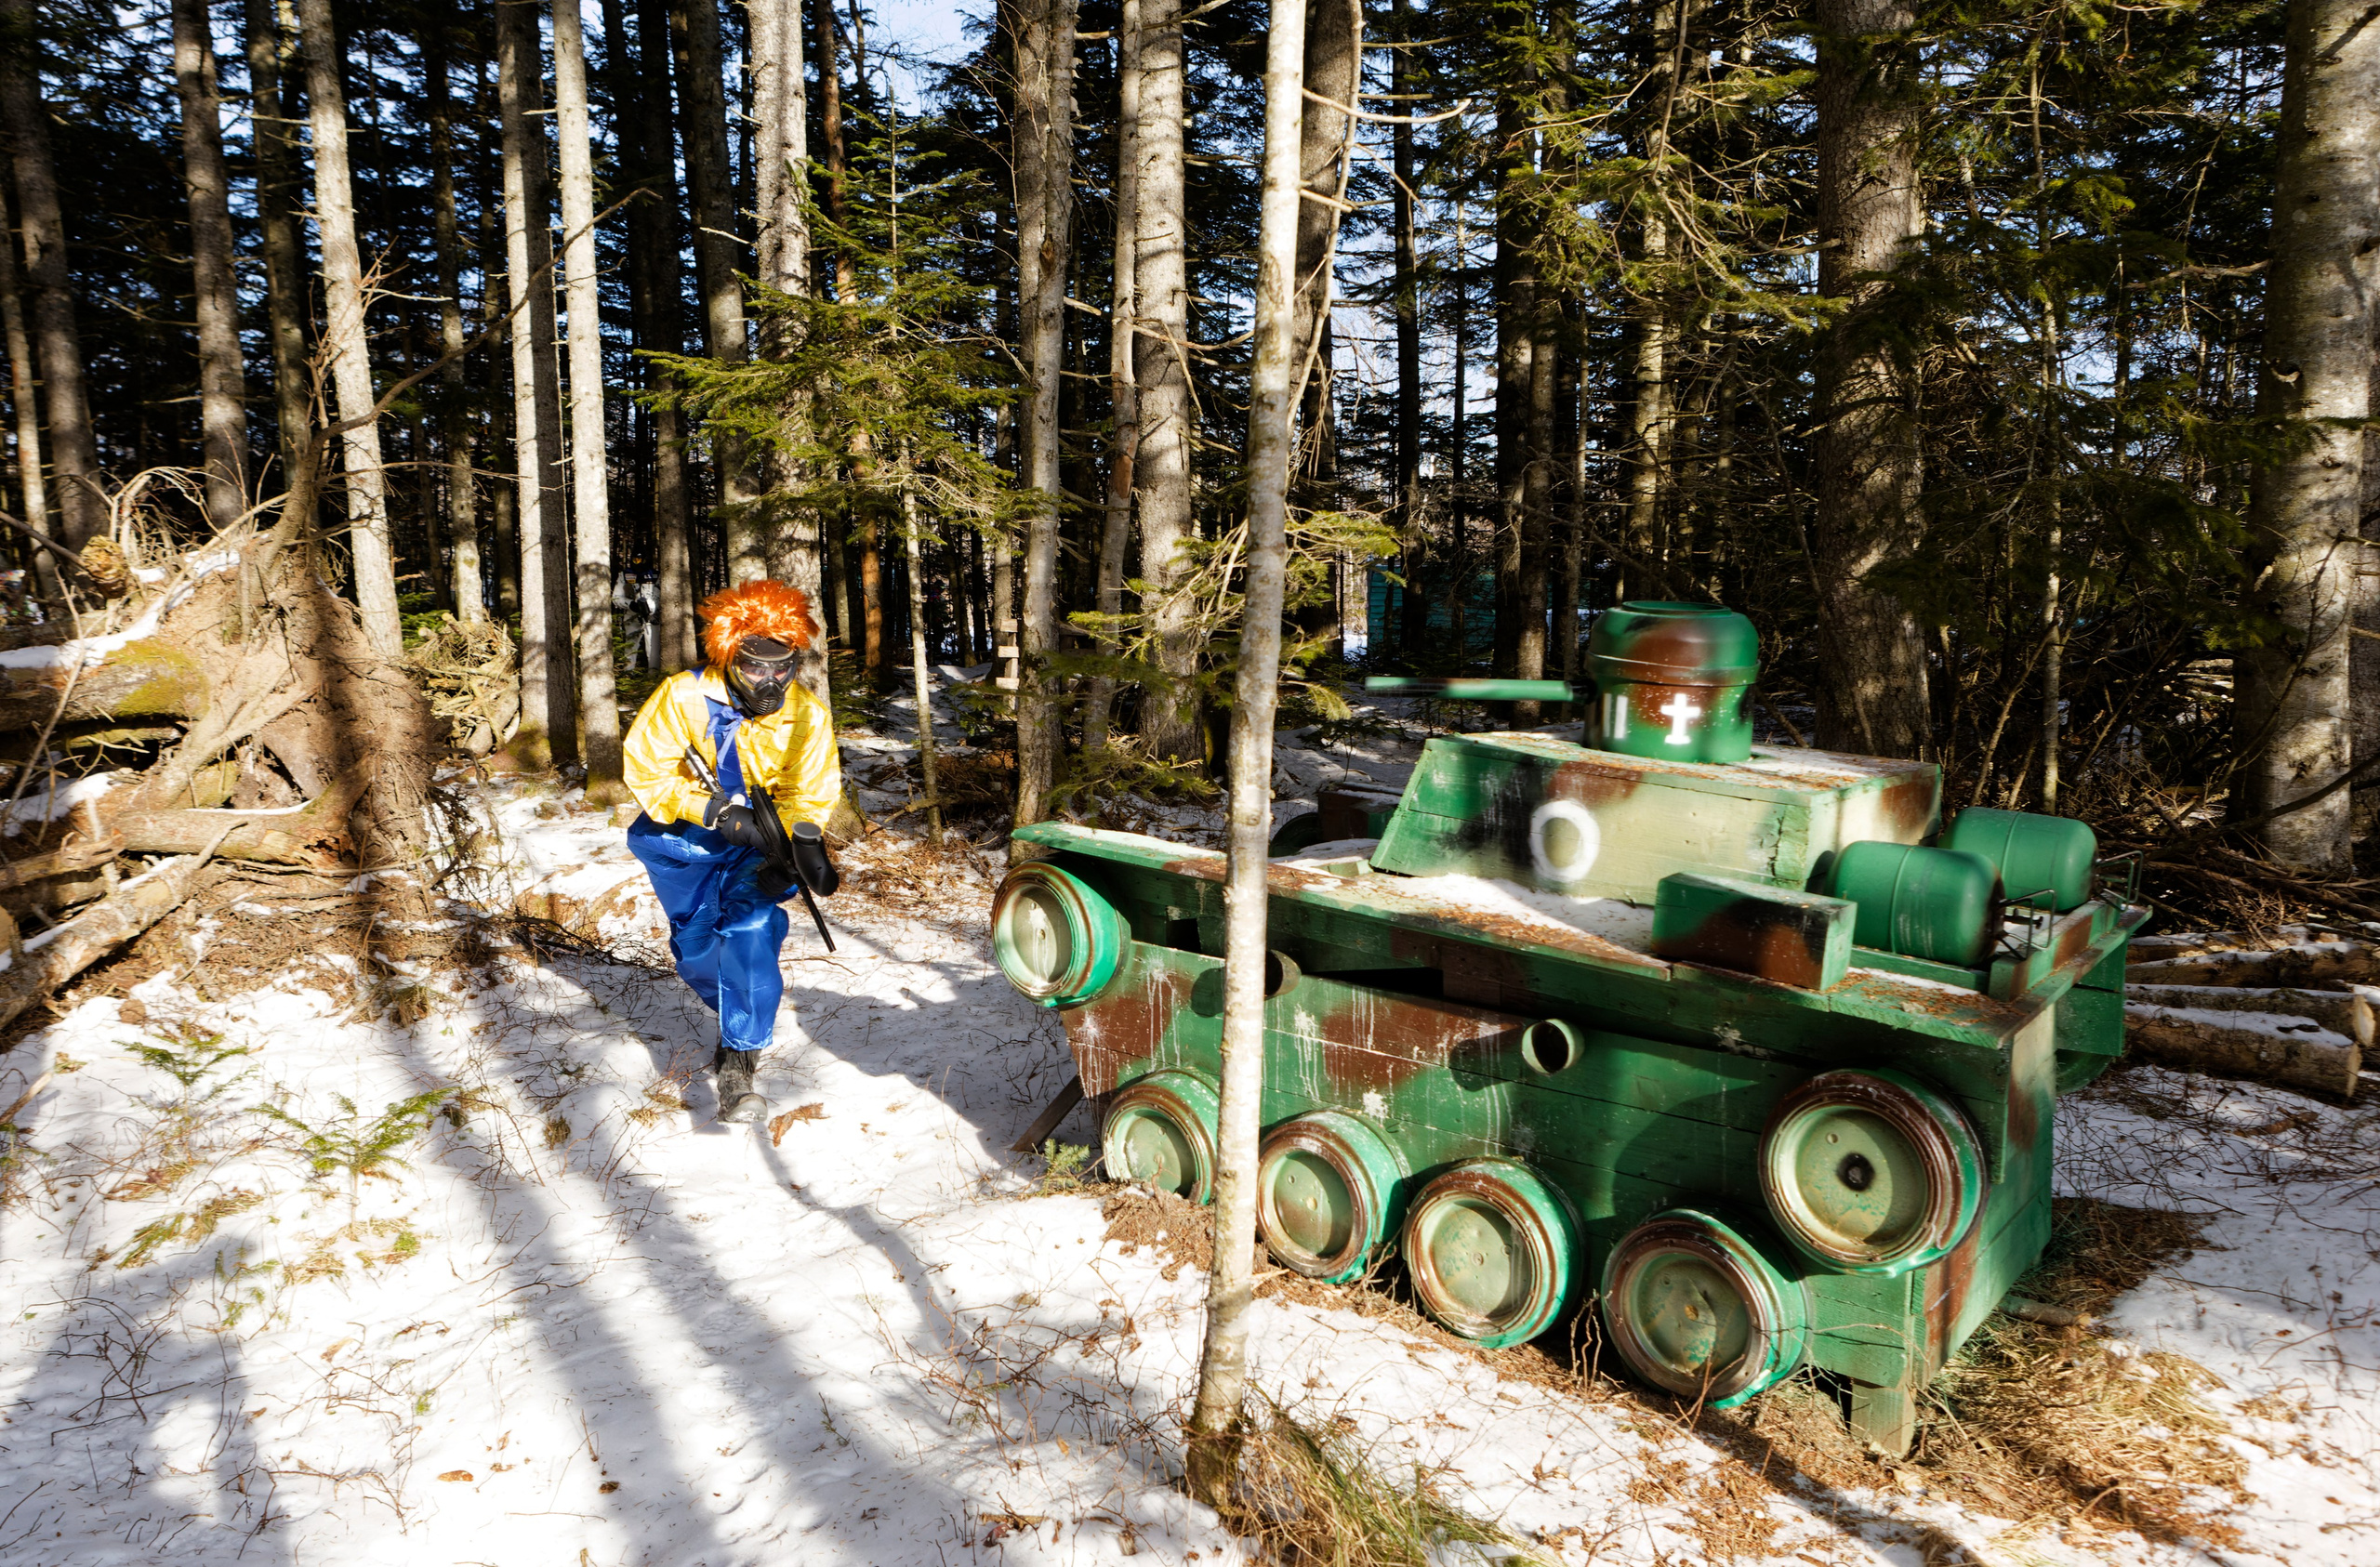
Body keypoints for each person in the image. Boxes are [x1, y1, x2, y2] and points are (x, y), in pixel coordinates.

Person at [622, 580, 841, 1122]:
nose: (771, 682)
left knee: (749, 927)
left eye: (783, 668)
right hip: (685, 841)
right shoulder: (682, 696)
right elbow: (645, 771)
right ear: (728, 655)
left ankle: (739, 1060)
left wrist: (793, 850)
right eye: (755, 669)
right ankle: (730, 1005)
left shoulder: (806, 715)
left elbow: (810, 791)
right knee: (695, 944)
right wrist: (713, 811)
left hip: (759, 844)